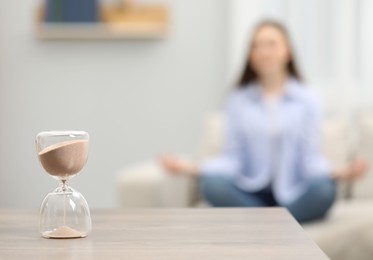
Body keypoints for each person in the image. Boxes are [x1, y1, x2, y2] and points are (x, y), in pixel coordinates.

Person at [159, 20, 368, 223]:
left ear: (287, 51)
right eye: (256, 46)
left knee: (324, 191)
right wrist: (189, 167)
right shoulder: (238, 99)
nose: (264, 52)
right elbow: (233, 159)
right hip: (250, 192)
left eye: (271, 44)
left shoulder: (307, 98)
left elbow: (310, 160)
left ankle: (262, 225)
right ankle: (279, 225)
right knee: (212, 186)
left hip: (294, 192)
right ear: (250, 54)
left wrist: (343, 172)